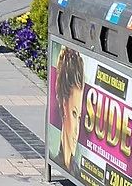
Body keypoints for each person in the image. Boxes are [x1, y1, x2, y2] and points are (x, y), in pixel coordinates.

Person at [50, 43, 86, 174]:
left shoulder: (80, 172)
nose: (77, 130)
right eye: (74, 114)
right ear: (64, 106)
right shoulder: (54, 156)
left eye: (80, 117)